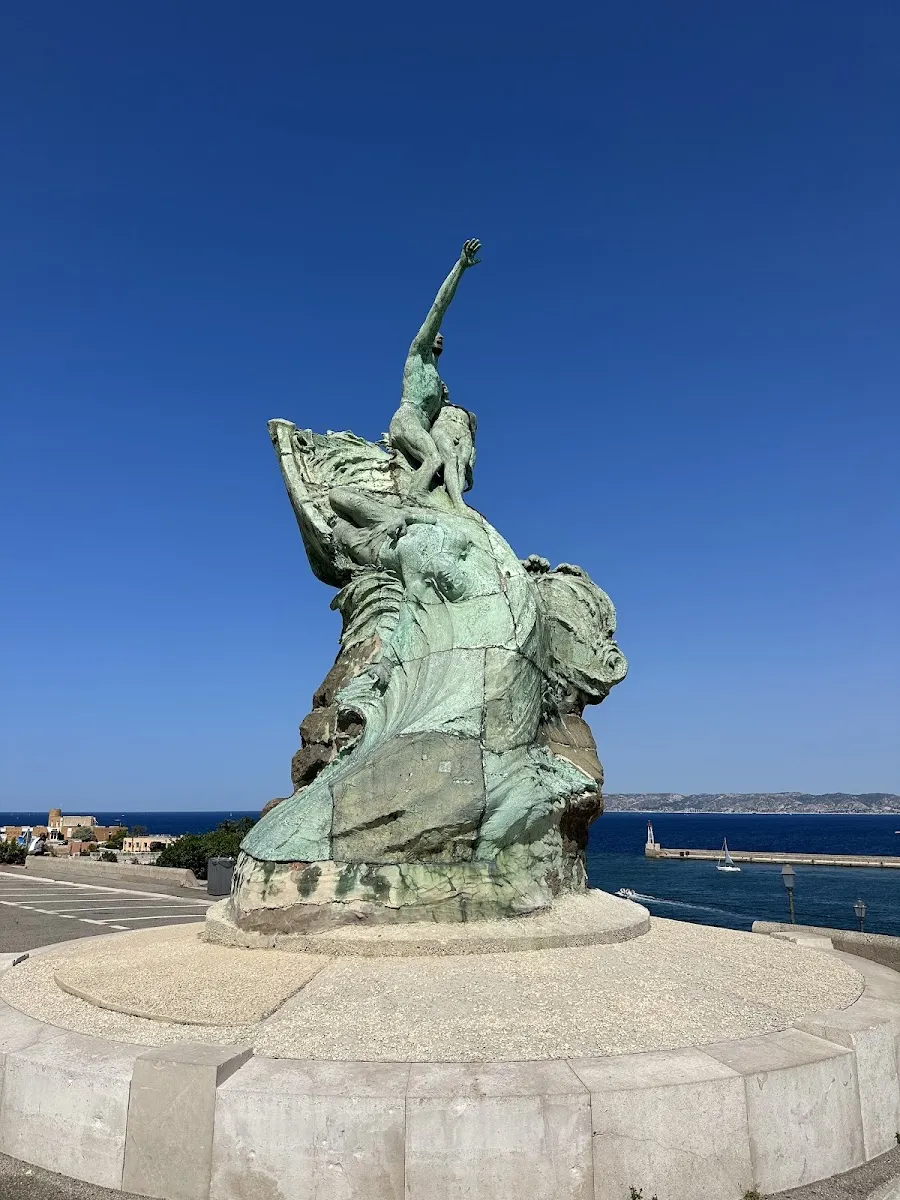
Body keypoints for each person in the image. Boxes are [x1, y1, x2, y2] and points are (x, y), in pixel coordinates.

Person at [388, 239, 481, 499]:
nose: (440, 337)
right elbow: (439, 306)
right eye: (435, 334)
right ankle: (413, 501)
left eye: (442, 336)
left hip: (421, 425)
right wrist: (461, 266)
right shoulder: (417, 353)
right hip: (406, 420)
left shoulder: (437, 379)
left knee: (444, 459)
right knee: (434, 459)